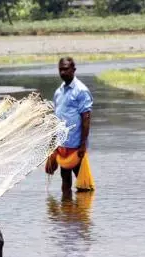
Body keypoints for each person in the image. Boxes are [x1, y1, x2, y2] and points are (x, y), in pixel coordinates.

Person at [46, 56, 94, 192]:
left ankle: (82, 206)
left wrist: (83, 144)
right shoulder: (59, 92)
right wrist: (53, 144)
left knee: (83, 185)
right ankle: (67, 204)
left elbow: (86, 118)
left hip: (76, 146)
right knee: (65, 180)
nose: (63, 72)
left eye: (66, 69)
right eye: (60, 69)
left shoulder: (81, 91)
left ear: (73, 70)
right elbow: (56, 119)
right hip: (62, 145)